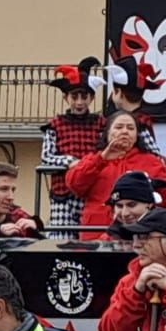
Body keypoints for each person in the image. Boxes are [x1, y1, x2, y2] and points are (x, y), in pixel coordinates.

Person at [62, 110, 166, 241]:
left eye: (130, 128)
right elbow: (74, 185)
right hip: (96, 233)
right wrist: (101, 159)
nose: (125, 131)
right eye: (119, 127)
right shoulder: (93, 158)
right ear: (107, 133)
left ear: (137, 135)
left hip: (140, 236)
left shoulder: (151, 162)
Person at [40, 58, 107, 240]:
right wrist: (71, 162)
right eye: (74, 97)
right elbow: (46, 157)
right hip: (63, 193)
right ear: (66, 98)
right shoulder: (55, 125)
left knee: (91, 238)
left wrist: (86, 165)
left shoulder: (102, 124)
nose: (79, 102)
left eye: (84, 97)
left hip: (91, 192)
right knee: (61, 240)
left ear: (91, 98)